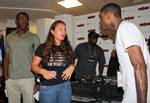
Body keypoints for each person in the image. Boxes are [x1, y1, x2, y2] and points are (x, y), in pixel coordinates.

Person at [100, 3, 150, 103]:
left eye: (101, 18)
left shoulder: (125, 28)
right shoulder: (123, 29)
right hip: (133, 91)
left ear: (109, 15)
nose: (100, 22)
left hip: (136, 93)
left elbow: (139, 65)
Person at [32, 20, 75, 103]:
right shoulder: (42, 47)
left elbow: (72, 63)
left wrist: (72, 67)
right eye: (60, 29)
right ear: (52, 31)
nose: (63, 32)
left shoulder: (68, 48)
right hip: (48, 87)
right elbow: (33, 66)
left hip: (65, 87)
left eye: (65, 30)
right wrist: (43, 71)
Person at [3, 12, 40, 103]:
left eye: (26, 19)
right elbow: (6, 58)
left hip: (28, 78)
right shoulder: (8, 37)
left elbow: (39, 60)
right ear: (16, 21)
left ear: (28, 22)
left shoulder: (34, 37)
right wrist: (5, 76)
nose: (24, 21)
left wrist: (38, 82)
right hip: (11, 79)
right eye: (21, 18)